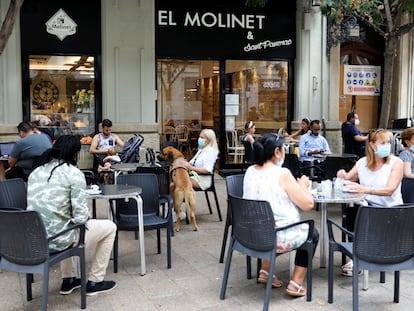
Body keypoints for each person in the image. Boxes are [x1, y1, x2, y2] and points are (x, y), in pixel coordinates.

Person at [27, 135, 117, 296]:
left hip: (35, 240)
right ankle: (95, 281)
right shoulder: (73, 173)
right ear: (75, 154)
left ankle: (68, 280)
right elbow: (81, 218)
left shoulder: (36, 172)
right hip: (58, 241)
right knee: (109, 227)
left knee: (63, 225)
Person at [243, 133, 318, 297]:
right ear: (277, 152)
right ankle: (296, 283)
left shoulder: (250, 171)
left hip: (249, 235)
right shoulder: (282, 173)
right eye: (284, 149)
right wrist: (304, 186)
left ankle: (265, 270)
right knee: (311, 232)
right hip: (274, 237)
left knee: (271, 223)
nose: (285, 152)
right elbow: (308, 204)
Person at [336, 128, 403, 276]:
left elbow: (390, 190)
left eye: (388, 142)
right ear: (372, 145)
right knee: (352, 212)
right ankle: (355, 257)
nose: (387, 145)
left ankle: (358, 255)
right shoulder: (362, 163)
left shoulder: (396, 163)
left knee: (357, 214)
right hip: (367, 209)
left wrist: (365, 189)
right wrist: (342, 174)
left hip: (390, 211)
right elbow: (348, 178)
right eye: (383, 142)